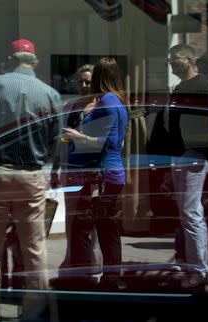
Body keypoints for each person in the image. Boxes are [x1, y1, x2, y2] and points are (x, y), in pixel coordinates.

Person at [0, 39, 62, 322]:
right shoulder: (49, 93)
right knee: (34, 248)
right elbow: (55, 138)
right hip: (30, 176)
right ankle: (33, 312)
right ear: (34, 61)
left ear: (11, 59)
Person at [60, 57, 128, 286]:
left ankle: (83, 280)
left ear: (100, 76)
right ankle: (109, 278)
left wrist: (80, 137)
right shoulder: (117, 99)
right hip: (108, 172)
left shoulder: (107, 100)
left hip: (102, 174)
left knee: (84, 227)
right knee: (105, 227)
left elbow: (109, 142)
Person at [166, 44, 208, 288]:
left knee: (191, 213)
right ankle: (191, 264)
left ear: (189, 60)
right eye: (170, 60)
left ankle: (199, 270)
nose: (171, 63)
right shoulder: (179, 88)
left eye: (175, 59)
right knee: (187, 214)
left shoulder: (205, 86)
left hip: (195, 156)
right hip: (181, 156)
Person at [50, 64, 103, 281]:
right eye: (80, 81)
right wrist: (55, 168)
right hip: (71, 170)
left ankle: (93, 263)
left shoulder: (102, 107)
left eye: (88, 81)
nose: (83, 85)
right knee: (72, 218)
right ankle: (72, 260)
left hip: (93, 171)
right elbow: (60, 142)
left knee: (91, 222)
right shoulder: (69, 106)